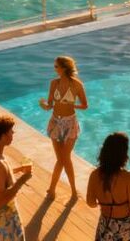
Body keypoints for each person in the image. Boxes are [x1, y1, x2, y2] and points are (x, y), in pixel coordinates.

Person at [86, 132, 130, 241]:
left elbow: (91, 203)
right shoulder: (129, 177)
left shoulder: (94, 175)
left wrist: (104, 202)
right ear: (123, 155)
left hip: (105, 226)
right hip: (125, 229)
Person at [40, 55, 88, 199]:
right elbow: (50, 105)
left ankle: (57, 189)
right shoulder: (54, 83)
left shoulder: (77, 85)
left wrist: (72, 105)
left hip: (70, 123)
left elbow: (85, 105)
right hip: (55, 122)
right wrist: (44, 105)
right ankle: (68, 191)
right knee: (62, 159)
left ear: (64, 68)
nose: (54, 69)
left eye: (56, 66)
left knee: (64, 158)